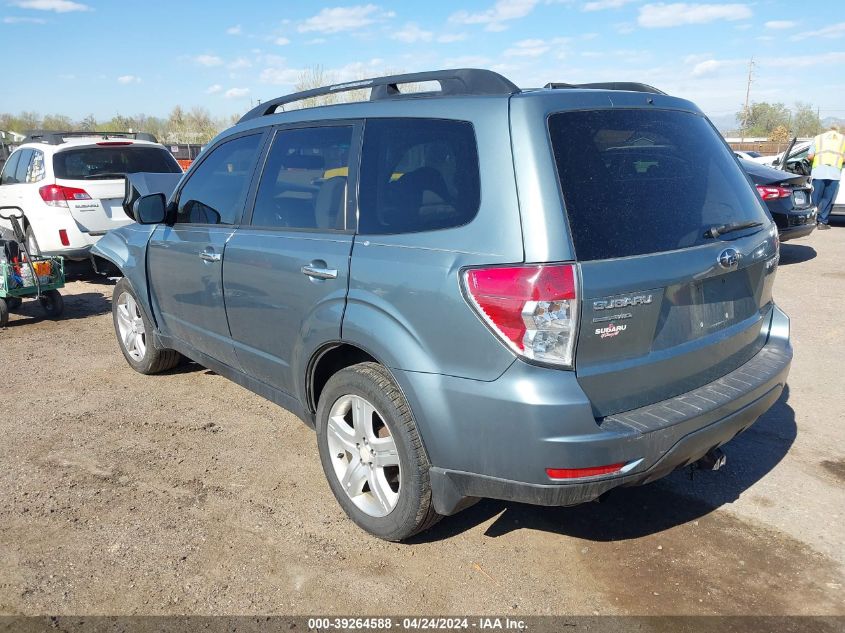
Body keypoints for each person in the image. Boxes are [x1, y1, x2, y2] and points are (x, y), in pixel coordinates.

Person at [807, 126, 845, 230]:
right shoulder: (843, 139)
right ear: (837, 131)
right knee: (827, 199)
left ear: (827, 130)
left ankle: (811, 221)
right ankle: (822, 222)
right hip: (834, 173)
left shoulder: (818, 138)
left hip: (818, 173)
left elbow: (810, 156)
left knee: (815, 198)